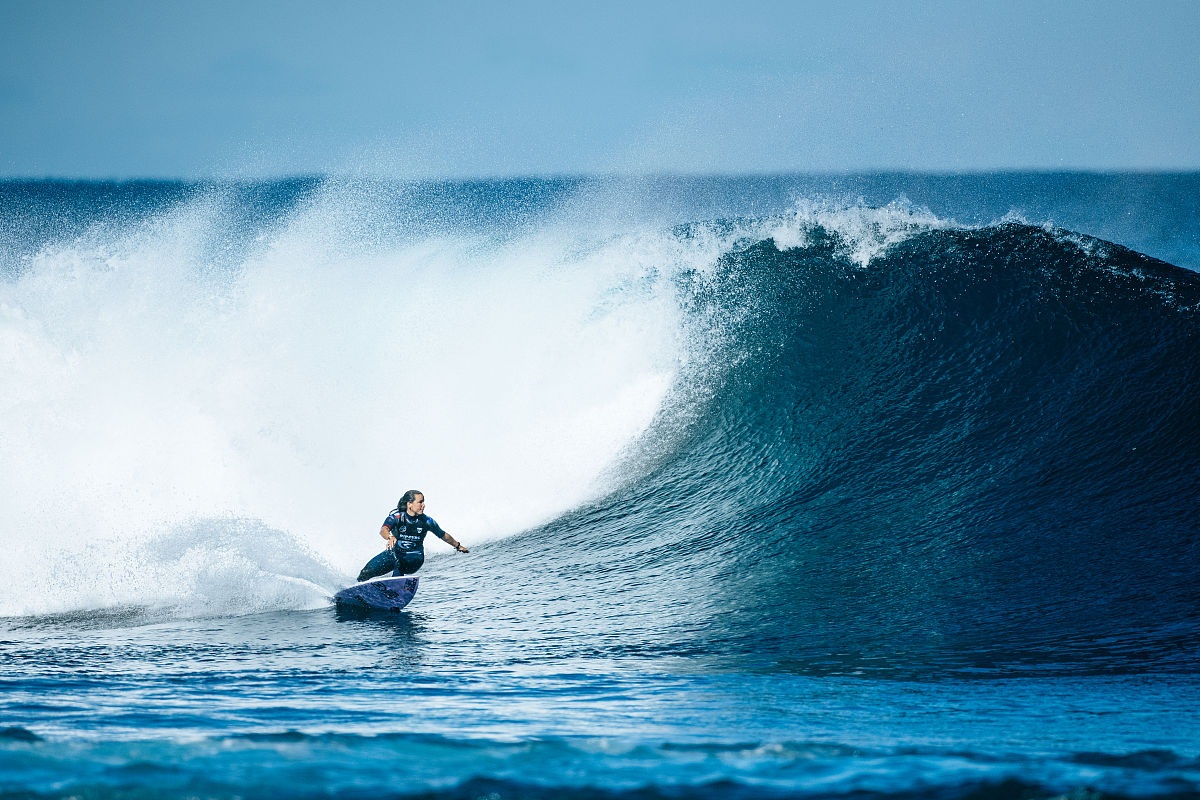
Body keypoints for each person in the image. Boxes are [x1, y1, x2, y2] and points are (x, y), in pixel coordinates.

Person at [356, 489, 468, 582]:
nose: (423, 505)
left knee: (399, 562)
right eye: (420, 502)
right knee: (365, 572)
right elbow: (383, 530)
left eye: (423, 502)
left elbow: (443, 535)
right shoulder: (396, 517)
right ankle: (356, 591)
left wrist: (458, 546)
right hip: (395, 554)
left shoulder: (427, 521)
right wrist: (390, 537)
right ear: (409, 504)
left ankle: (395, 587)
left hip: (415, 558)